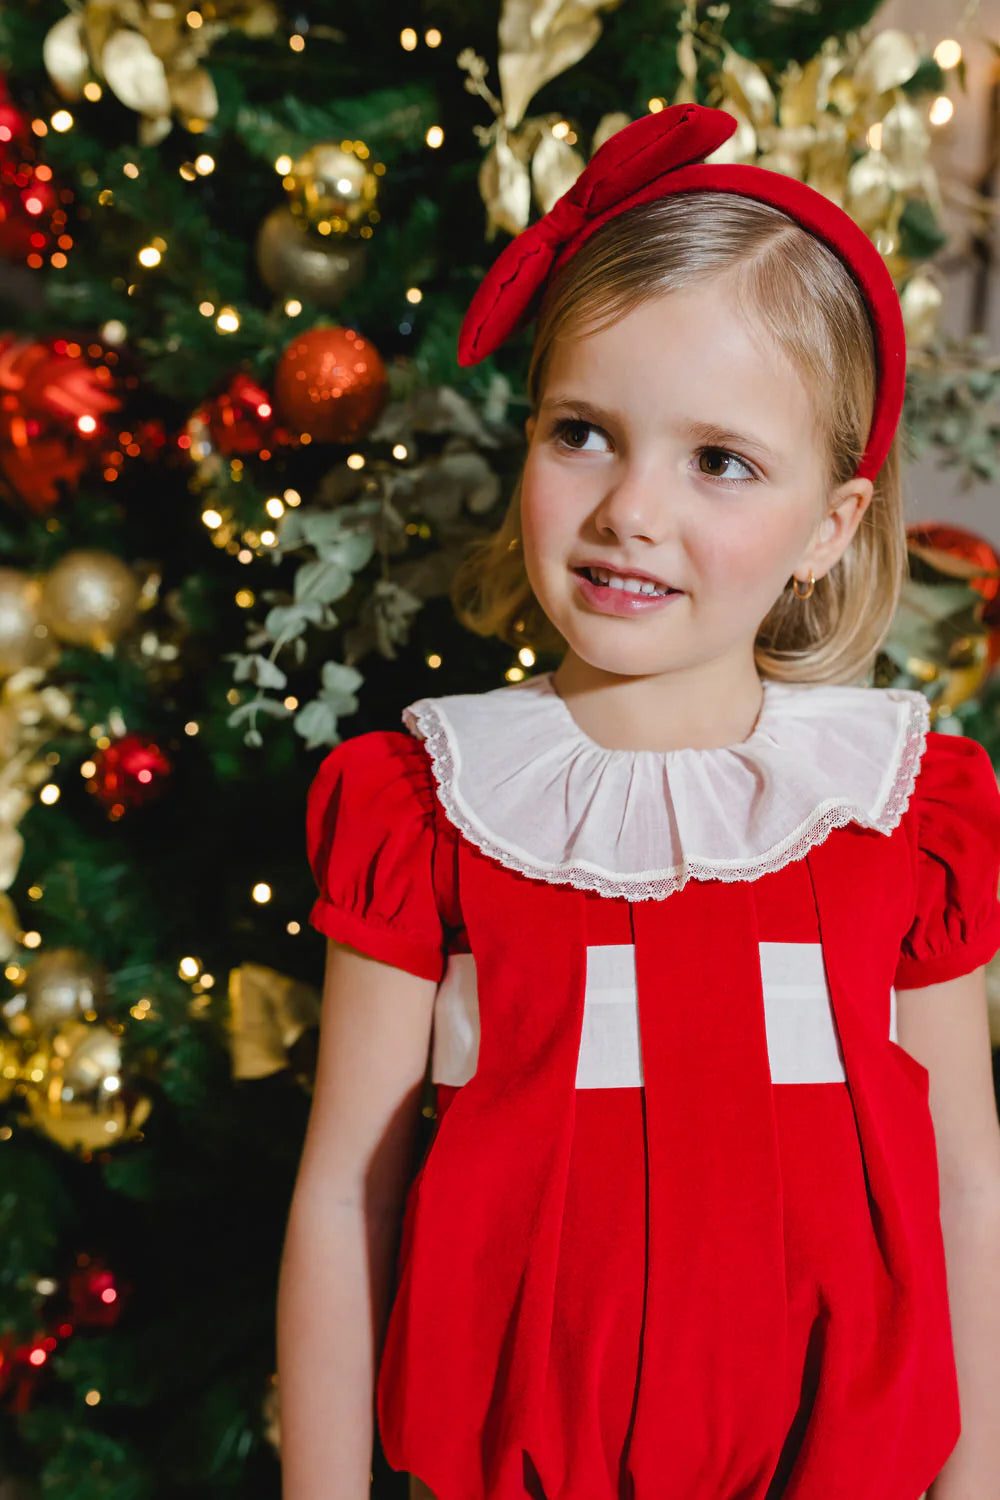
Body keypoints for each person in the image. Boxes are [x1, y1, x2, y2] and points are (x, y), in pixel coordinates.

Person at [276, 103, 1000, 1500]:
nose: (629, 513)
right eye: (586, 434)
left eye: (719, 461)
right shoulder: (431, 804)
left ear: (827, 530)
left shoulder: (900, 809)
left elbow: (965, 1183)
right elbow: (342, 1193)